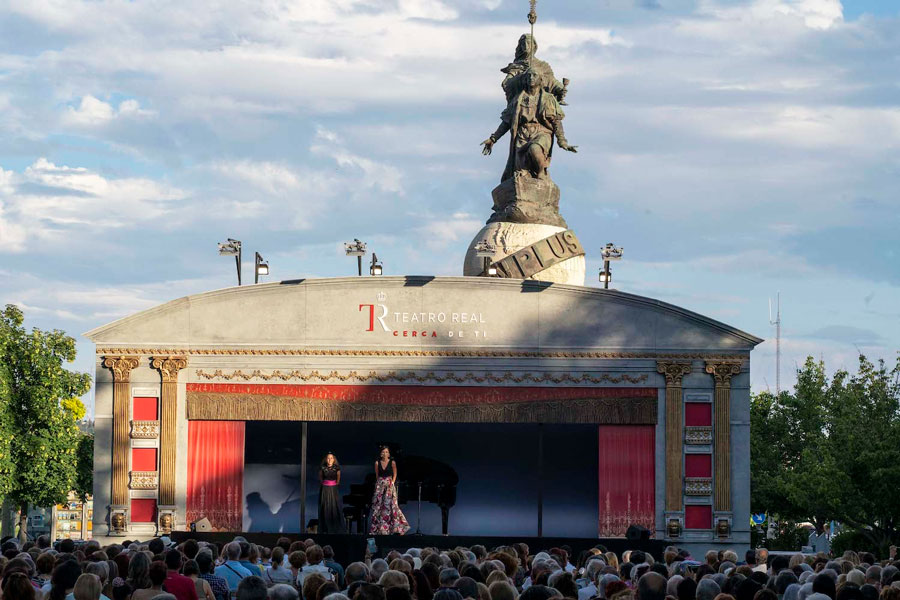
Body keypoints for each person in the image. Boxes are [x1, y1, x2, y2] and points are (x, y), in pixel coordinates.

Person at [481, 67, 577, 183]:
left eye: (534, 75)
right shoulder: (518, 99)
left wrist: (562, 142)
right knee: (520, 173)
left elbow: (556, 121)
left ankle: (541, 173)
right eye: (529, 76)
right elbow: (507, 122)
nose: (531, 78)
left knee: (534, 149)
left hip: (541, 132)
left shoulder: (548, 98)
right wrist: (493, 138)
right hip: (522, 135)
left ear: (540, 79)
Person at [369, 447, 410, 535]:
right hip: (380, 485)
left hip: (389, 485)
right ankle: (380, 529)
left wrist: (391, 484)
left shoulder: (392, 462)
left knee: (390, 507)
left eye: (387, 452)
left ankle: (395, 529)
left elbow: (395, 474)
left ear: (389, 454)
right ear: (381, 454)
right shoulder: (377, 463)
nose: (385, 453)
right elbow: (377, 475)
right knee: (379, 507)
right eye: (383, 452)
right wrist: (380, 484)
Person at [318, 454, 346, 534]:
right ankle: (325, 529)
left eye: (331, 458)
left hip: (333, 490)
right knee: (325, 508)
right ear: (326, 459)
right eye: (328, 458)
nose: (330, 460)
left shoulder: (337, 468)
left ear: (334, 460)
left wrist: (332, 486)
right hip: (325, 490)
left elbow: (338, 481)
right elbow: (321, 479)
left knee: (334, 508)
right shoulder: (322, 468)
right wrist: (326, 486)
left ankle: (335, 529)